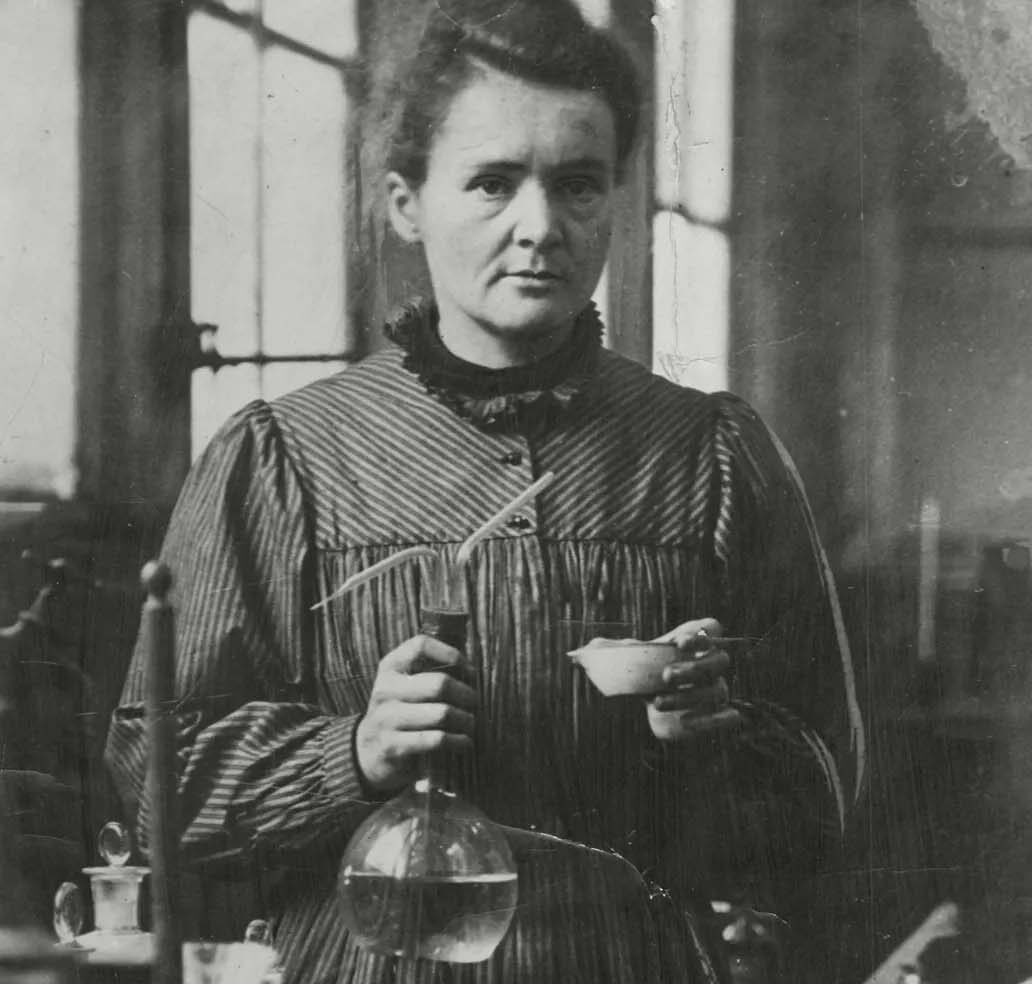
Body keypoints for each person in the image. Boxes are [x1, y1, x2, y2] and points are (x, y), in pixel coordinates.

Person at [106, 1, 865, 980]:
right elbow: (156, 788)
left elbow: (823, 802)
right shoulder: (282, 458)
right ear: (405, 202)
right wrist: (353, 754)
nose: (539, 227)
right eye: (493, 183)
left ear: (615, 199)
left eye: (578, 184)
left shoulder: (712, 455)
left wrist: (711, 745)